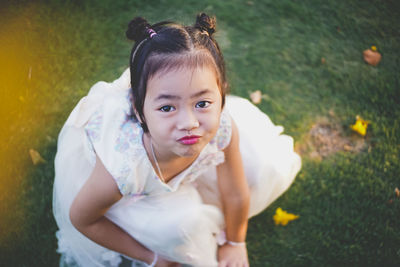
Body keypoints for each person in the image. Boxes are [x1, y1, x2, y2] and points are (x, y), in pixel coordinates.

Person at [53, 13, 301, 267]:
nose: (189, 123)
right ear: (139, 111)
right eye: (167, 108)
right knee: (182, 228)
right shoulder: (123, 168)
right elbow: (84, 219)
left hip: (169, 154)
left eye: (202, 103)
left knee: (264, 168)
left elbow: (235, 191)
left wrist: (235, 243)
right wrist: (152, 257)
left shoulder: (222, 127)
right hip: (141, 189)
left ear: (221, 95)